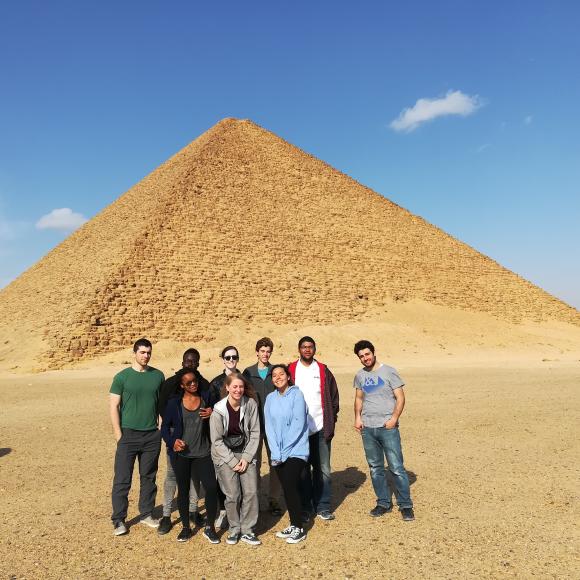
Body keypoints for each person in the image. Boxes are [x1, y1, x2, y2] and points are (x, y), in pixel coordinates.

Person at [353, 340, 415, 521]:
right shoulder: (359, 375)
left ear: (373, 353)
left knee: (396, 467)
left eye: (367, 354)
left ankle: (405, 505)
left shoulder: (389, 371)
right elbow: (358, 398)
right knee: (375, 468)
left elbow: (400, 397)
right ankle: (383, 503)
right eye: (361, 356)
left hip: (387, 428)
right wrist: (357, 418)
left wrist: (394, 418)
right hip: (368, 428)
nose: (365, 358)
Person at [157, 348, 216, 535]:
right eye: (187, 361)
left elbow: (212, 406)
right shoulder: (170, 384)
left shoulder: (204, 385)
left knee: (194, 480)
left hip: (198, 441)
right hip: (177, 440)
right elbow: (162, 410)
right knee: (172, 476)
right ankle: (166, 515)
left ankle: (192, 512)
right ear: (182, 362)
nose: (190, 364)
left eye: (194, 361)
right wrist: (174, 434)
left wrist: (211, 413)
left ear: (198, 363)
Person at [109, 338, 164, 536]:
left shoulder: (158, 376)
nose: (146, 356)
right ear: (134, 353)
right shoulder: (122, 377)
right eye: (142, 352)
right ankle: (118, 520)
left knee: (149, 477)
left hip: (151, 435)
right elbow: (114, 405)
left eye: (148, 352)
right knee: (123, 479)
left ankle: (147, 513)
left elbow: (161, 404)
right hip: (128, 434)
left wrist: (160, 427)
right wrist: (118, 435)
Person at [288, 336, 339, 521]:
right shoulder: (291, 369)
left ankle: (323, 506)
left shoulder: (323, 369)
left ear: (315, 349)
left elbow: (333, 397)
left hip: (320, 428)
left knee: (323, 468)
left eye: (310, 347)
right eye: (304, 347)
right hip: (299, 431)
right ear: (299, 349)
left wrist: (331, 420)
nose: (307, 350)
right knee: (302, 470)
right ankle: (306, 507)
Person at [210, 372, 261, 546]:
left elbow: (255, 433)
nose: (238, 390)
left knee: (251, 492)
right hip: (225, 455)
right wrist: (232, 461)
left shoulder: (250, 404)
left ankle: (247, 530)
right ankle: (234, 529)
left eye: (241, 387)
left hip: (246, 451)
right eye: (234, 387)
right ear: (227, 388)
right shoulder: (218, 410)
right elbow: (216, 441)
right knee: (232, 494)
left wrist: (246, 458)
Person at [265, 364, 309, 544]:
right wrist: (275, 451)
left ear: (288, 376)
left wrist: (284, 450)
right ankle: (293, 523)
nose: (277, 377)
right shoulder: (270, 398)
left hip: (296, 450)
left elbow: (299, 424)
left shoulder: (297, 395)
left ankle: (299, 527)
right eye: (274, 375)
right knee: (287, 488)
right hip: (278, 452)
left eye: (281, 374)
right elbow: (269, 426)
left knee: (290, 484)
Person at [242, 337, 282, 515]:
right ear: (257, 352)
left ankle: (273, 499)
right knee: (254, 463)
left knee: (275, 462)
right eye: (263, 351)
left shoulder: (276, 371)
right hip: (255, 426)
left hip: (274, 426)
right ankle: (255, 498)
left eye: (268, 351)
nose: (265, 354)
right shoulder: (248, 373)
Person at [208, 345, 242, 528]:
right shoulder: (215, 383)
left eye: (234, 357)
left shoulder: (244, 379)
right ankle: (223, 511)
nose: (231, 360)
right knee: (223, 476)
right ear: (223, 359)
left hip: (240, 437)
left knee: (240, 476)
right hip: (222, 437)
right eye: (227, 357)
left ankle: (240, 513)